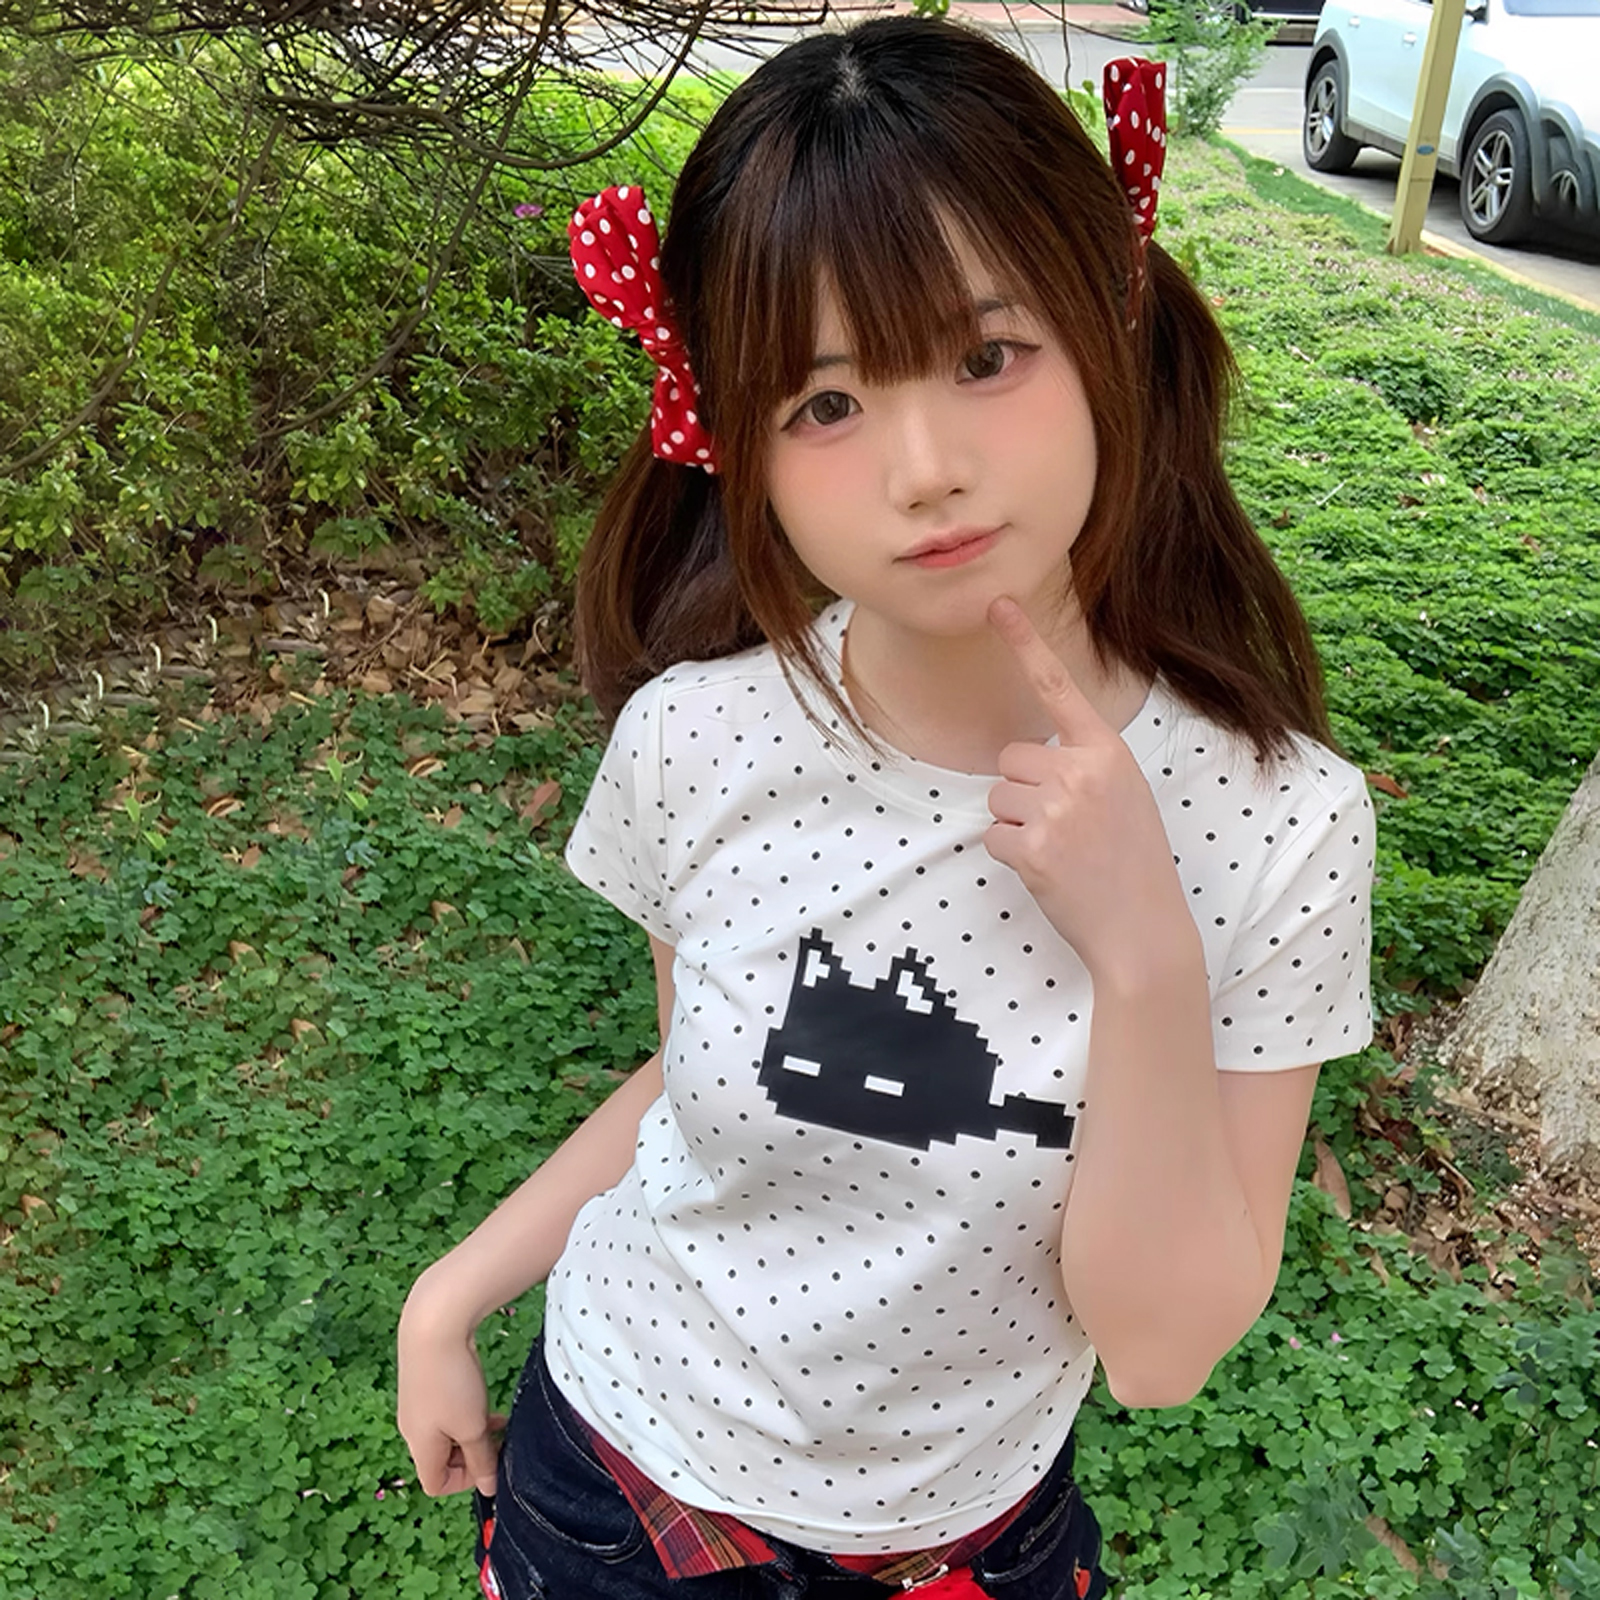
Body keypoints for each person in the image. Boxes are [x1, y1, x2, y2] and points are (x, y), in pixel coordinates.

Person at [397, 17, 1375, 1600]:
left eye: (987, 358)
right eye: (826, 404)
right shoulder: (697, 739)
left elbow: (1162, 1351)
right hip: (618, 1495)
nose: (925, 469)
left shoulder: (1283, 824)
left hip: (971, 1542)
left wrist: (1145, 952)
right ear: (734, 442)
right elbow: (698, 1082)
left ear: (1110, 328)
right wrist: (450, 1294)